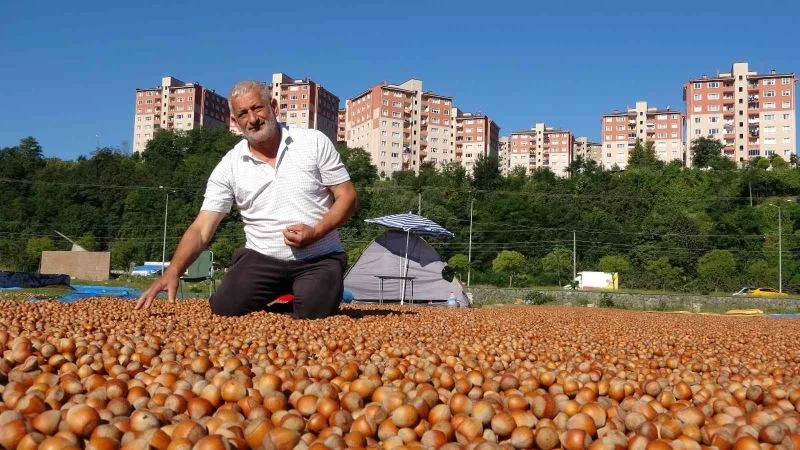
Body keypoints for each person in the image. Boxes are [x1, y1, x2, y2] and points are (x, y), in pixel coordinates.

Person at [134, 80, 358, 319]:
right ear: (235, 122)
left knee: (314, 311)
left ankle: (304, 296)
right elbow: (201, 228)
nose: (252, 119)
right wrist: (173, 271)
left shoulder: (312, 142)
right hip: (262, 259)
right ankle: (283, 299)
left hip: (318, 257)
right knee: (225, 308)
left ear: (273, 107)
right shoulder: (229, 165)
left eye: (257, 108)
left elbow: (347, 196)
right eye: (243, 113)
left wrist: (315, 232)